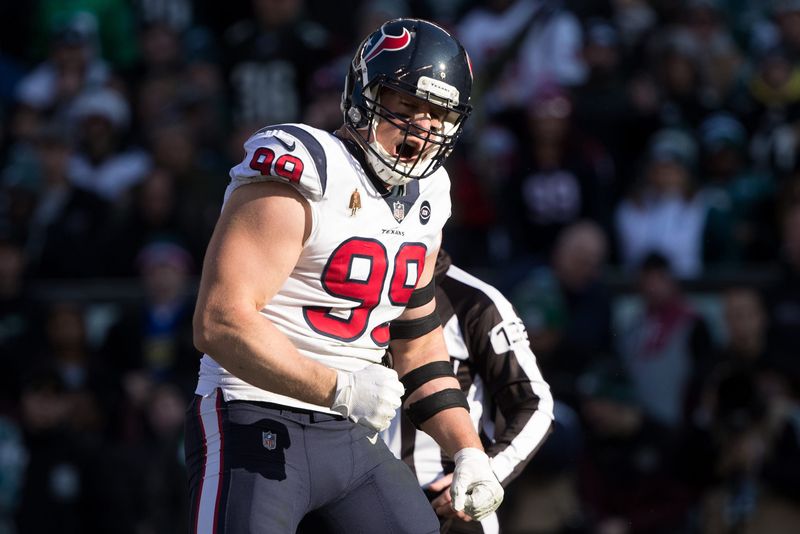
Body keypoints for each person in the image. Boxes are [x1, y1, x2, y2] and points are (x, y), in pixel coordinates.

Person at [186, 18, 504, 534]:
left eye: (439, 115)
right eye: (406, 106)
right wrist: (338, 387)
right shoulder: (307, 164)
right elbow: (220, 322)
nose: (421, 129)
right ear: (363, 96)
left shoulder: (431, 195)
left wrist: (468, 450)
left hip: (350, 433)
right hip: (251, 409)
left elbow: (418, 342)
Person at [382, 249, 554, 534]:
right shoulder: (337, 290)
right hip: (352, 500)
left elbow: (535, 403)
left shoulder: (476, 302)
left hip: (444, 506)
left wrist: (487, 472)